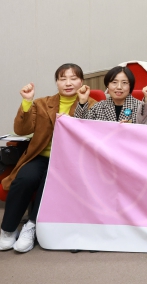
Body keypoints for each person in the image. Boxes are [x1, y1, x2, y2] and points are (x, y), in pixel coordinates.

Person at [0, 64, 97, 253]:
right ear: (57, 82)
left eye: (73, 78)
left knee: (49, 182)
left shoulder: (92, 104)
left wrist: (80, 107)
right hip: (40, 156)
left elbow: (90, 135)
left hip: (68, 161)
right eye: (63, 79)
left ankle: (31, 226)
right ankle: (8, 229)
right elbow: (21, 130)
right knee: (24, 179)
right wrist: (27, 102)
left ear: (82, 82)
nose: (68, 83)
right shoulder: (42, 103)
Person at [74, 66, 147, 123]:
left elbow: (146, 130)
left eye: (124, 83)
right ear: (107, 85)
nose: (119, 87)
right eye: (114, 82)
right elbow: (81, 126)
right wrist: (82, 101)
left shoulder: (140, 107)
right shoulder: (98, 107)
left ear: (130, 86)